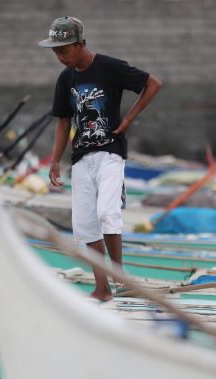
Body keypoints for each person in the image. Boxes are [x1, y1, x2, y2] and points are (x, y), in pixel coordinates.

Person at [40, 16, 162, 302]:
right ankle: (102, 287)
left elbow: (152, 84)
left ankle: (122, 279)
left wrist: (129, 119)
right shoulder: (66, 78)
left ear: (81, 44)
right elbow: (63, 122)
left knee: (107, 213)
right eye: (55, 52)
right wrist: (56, 160)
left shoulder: (109, 67)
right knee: (83, 225)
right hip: (81, 157)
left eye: (64, 50)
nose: (59, 57)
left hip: (110, 152)